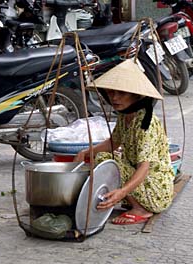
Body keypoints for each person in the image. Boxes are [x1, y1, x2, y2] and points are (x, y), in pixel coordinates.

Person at [74, 59, 175, 225]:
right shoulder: (125, 114)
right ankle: (130, 199)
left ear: (135, 95)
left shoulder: (145, 123)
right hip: (140, 182)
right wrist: (86, 152)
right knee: (102, 156)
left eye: (121, 93)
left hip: (156, 191)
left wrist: (122, 192)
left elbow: (144, 167)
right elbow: (114, 143)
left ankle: (141, 209)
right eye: (111, 92)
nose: (115, 98)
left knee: (107, 160)